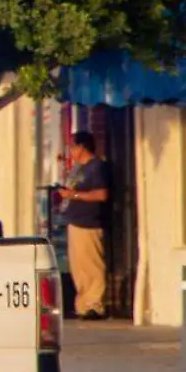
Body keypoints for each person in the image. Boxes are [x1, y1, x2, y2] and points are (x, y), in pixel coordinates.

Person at [57, 131, 110, 320]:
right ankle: (82, 305)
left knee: (91, 266)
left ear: (82, 147)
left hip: (89, 223)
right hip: (75, 222)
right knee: (79, 268)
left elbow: (101, 194)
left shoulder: (96, 168)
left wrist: (75, 196)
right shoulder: (79, 168)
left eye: (73, 146)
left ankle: (95, 304)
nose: (71, 151)